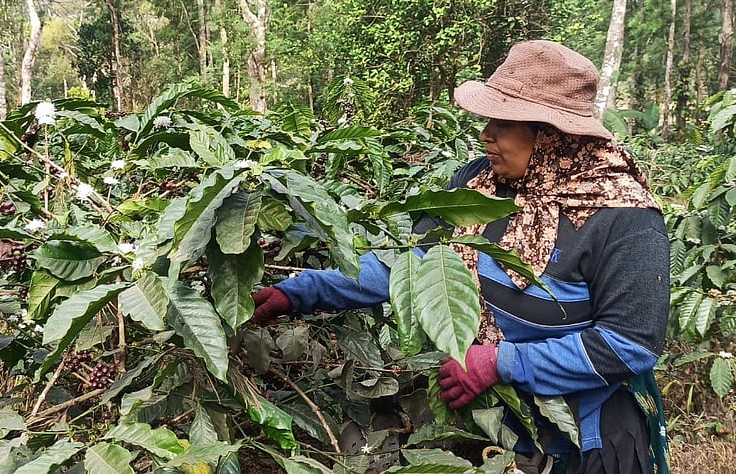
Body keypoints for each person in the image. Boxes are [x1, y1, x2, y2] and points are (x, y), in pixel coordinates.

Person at [251, 40, 670, 474]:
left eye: (502, 123)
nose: (485, 134)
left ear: (552, 135)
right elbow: (412, 265)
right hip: (492, 421)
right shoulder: (479, 185)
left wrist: (501, 362)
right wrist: (299, 292)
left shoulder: (624, 218)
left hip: (585, 438)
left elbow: (630, 344)